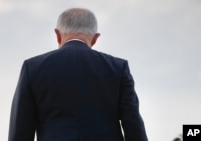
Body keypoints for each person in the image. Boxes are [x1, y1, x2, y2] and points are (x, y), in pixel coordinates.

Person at [8, 8, 148, 141]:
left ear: (57, 35)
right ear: (95, 38)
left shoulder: (32, 68)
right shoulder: (118, 67)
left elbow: (21, 131)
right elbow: (132, 124)